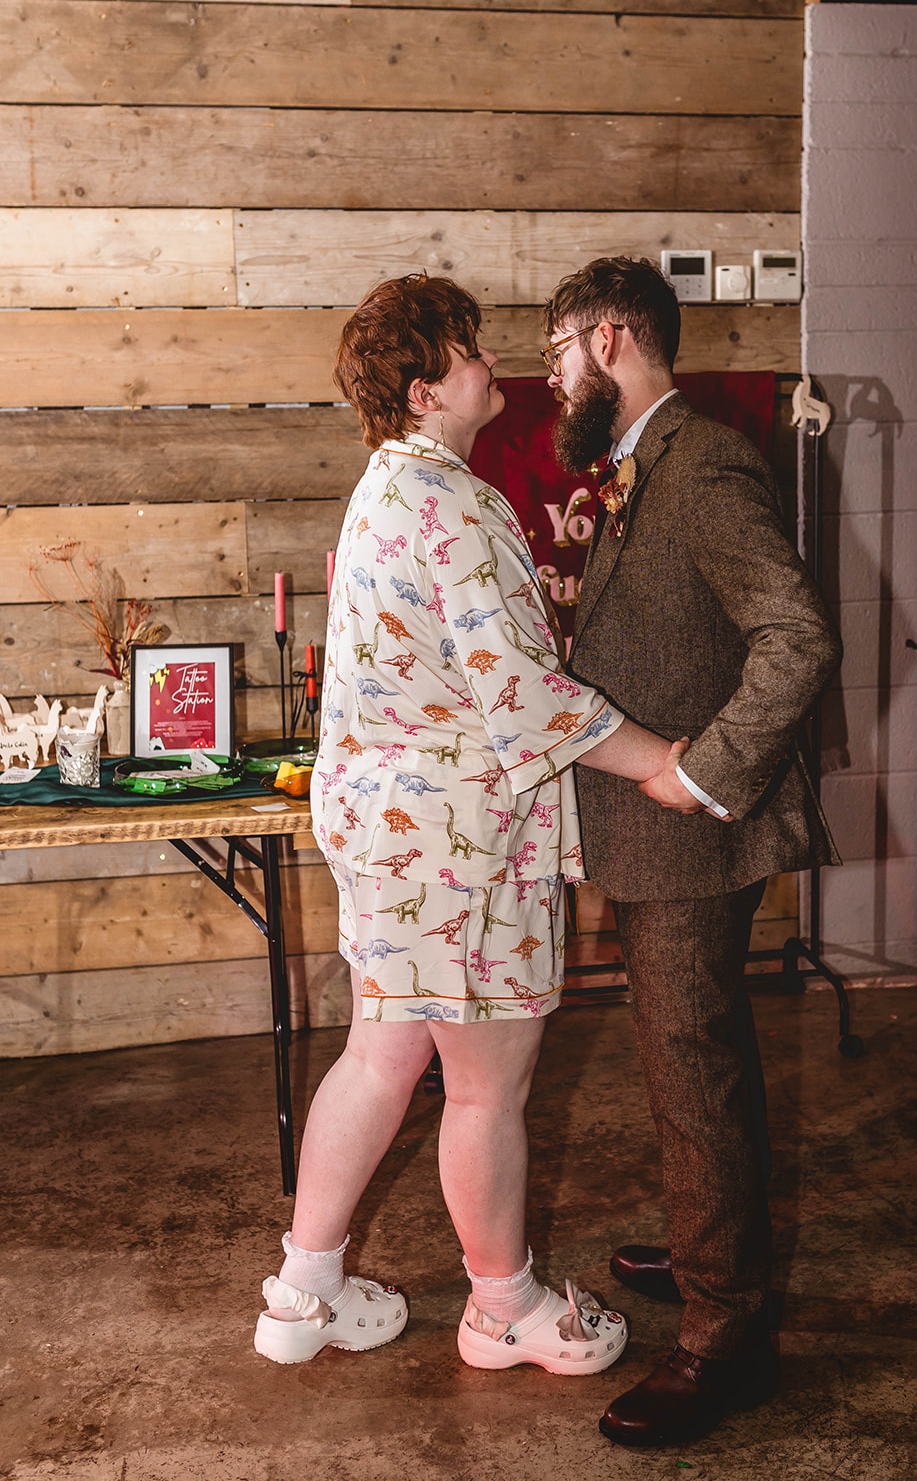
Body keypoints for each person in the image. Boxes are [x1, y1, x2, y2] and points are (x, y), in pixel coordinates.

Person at [253, 273, 686, 1379]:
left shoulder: (384, 490)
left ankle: (302, 1290)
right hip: (456, 843)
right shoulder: (451, 502)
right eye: (470, 348)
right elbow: (525, 694)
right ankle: (504, 1306)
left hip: (386, 829)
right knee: (487, 1086)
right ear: (423, 383)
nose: (491, 363)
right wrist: (662, 764)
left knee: (380, 1053)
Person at [543, 256, 842, 1447]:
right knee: (690, 1056)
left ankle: (726, 1336)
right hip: (651, 833)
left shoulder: (702, 460)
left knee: (690, 1062)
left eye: (560, 346)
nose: (553, 371)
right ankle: (710, 1244)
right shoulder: (641, 462)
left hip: (693, 828)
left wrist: (702, 767)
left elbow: (796, 635)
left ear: (611, 337)